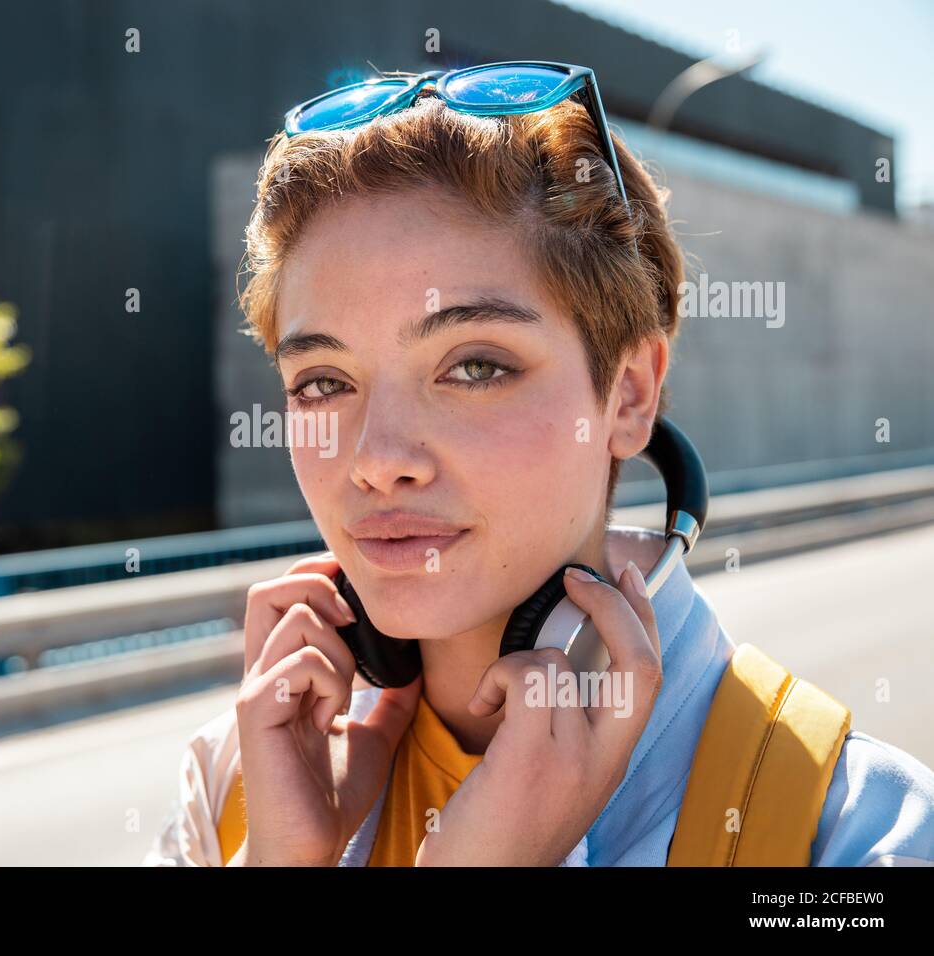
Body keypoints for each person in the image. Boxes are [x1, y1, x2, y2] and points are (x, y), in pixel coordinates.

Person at [143, 64, 934, 867]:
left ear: (628, 395)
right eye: (323, 382)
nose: (378, 461)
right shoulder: (237, 792)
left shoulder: (851, 832)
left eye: (475, 367)